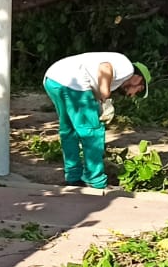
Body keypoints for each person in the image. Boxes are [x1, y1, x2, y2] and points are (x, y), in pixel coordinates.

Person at [42, 52, 150, 190]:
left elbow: (95, 86)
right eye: (138, 89)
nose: (132, 95)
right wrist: (105, 96)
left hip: (53, 79)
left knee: (69, 130)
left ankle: (73, 177)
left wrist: (99, 104)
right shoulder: (128, 68)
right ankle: (95, 181)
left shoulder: (116, 70)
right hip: (74, 84)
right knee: (92, 133)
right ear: (138, 78)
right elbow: (105, 68)